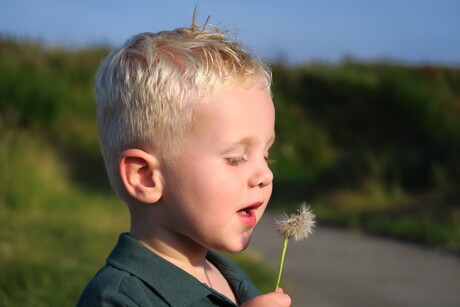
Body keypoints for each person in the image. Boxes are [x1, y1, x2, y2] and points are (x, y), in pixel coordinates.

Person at [77, 14, 291, 307]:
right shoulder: (117, 298)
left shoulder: (227, 276)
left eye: (266, 155)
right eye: (236, 159)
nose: (265, 174)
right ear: (145, 176)